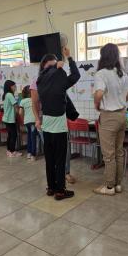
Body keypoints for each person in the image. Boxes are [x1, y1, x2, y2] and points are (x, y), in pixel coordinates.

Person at [93, 43, 128, 195]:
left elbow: (99, 93)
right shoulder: (120, 73)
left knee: (109, 154)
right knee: (119, 151)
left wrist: (96, 104)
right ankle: (118, 184)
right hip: (122, 115)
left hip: (109, 117)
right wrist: (124, 99)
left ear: (103, 56)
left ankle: (109, 187)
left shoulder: (101, 74)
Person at [36, 47, 80, 201]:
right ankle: (60, 191)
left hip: (47, 127)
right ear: (49, 66)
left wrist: (54, 67)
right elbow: (76, 75)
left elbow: (47, 73)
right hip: (59, 127)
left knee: (50, 160)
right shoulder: (58, 77)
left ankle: (51, 188)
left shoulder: (40, 80)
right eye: (53, 64)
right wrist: (69, 58)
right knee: (60, 160)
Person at [31, 72, 76, 184]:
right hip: (44, 122)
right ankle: (54, 177)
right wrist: (37, 120)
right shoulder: (37, 81)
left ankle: (65, 173)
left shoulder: (58, 82)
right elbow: (34, 103)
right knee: (50, 151)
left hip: (59, 122)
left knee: (64, 150)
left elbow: (65, 101)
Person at [2, 80, 22, 157]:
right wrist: (19, 112)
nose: (15, 87)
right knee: (14, 135)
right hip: (9, 119)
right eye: (14, 86)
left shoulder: (6, 94)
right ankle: (12, 151)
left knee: (10, 135)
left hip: (6, 118)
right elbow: (15, 105)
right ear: (10, 87)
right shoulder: (10, 94)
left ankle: (9, 150)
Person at [19, 85, 37, 160]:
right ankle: (33, 155)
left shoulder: (22, 101)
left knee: (29, 137)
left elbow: (20, 113)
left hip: (27, 122)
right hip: (34, 121)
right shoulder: (34, 99)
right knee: (33, 138)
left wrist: (23, 120)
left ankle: (29, 153)